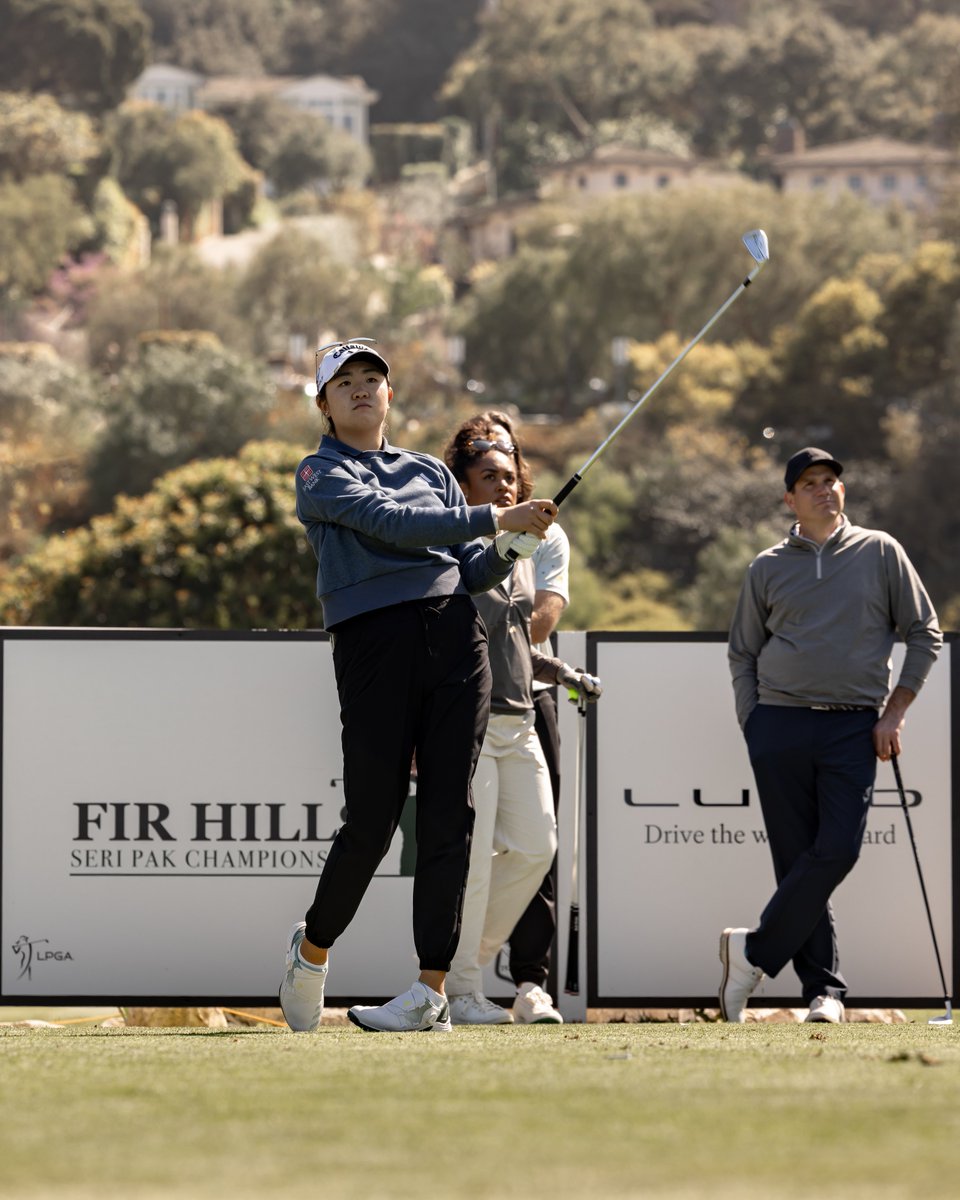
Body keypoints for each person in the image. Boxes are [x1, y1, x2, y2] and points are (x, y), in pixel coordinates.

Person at [279, 338, 559, 1034]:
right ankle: (312, 950)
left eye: (372, 378)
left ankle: (429, 991)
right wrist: (497, 517)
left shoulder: (430, 470)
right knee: (372, 820)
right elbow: (391, 525)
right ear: (324, 404)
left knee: (450, 816)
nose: (361, 388)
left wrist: (513, 547)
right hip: (374, 645)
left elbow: (471, 571)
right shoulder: (319, 472)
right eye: (344, 381)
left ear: (389, 394)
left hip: (456, 639)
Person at [722, 446, 942, 1024]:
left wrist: (894, 712)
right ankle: (823, 991)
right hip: (779, 723)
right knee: (796, 859)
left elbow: (924, 632)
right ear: (789, 499)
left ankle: (752, 952)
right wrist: (753, 722)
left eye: (831, 481)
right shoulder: (767, 566)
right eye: (810, 483)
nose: (824, 489)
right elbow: (744, 651)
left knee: (838, 849)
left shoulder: (880, 551)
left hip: (853, 724)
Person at [440, 421, 600, 1025]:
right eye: (490, 477)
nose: (505, 487)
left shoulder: (530, 549)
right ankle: (462, 988)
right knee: (477, 860)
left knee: (537, 848)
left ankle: (462, 964)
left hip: (521, 715)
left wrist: (562, 672)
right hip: (471, 721)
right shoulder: (450, 546)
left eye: (510, 477)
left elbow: (520, 640)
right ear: (463, 486)